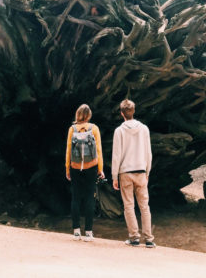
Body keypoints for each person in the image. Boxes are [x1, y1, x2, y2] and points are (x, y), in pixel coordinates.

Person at [112, 99, 155, 248]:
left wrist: (114, 176)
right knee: (144, 206)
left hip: (125, 172)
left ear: (121, 113)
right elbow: (149, 153)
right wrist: (147, 170)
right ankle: (149, 238)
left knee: (129, 206)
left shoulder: (119, 131)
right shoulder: (144, 129)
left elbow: (116, 156)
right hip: (141, 171)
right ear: (133, 111)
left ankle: (134, 237)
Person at [65, 104, 104, 242]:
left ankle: (76, 231)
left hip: (75, 167)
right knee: (89, 198)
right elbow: (98, 149)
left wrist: (67, 168)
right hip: (91, 167)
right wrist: (100, 169)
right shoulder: (94, 128)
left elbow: (68, 150)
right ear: (89, 116)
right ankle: (88, 232)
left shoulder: (72, 129)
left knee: (75, 198)